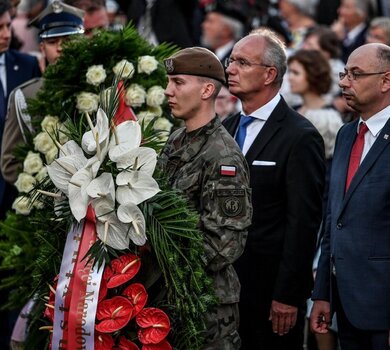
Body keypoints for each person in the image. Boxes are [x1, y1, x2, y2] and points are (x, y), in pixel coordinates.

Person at [223, 28, 325, 350]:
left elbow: (303, 223)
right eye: (230, 60)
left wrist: (287, 295)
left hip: (269, 297)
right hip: (223, 289)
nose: (230, 69)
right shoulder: (225, 128)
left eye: (242, 62)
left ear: (269, 74)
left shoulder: (300, 136)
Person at [159, 46, 252, 349]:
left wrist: (160, 256)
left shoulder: (222, 155)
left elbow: (224, 242)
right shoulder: (176, 140)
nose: (167, 90)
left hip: (204, 303)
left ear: (207, 89)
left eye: (178, 83)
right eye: (169, 82)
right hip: (167, 294)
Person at [310, 43, 390, 350]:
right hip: (345, 305)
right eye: (344, 73)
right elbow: (334, 218)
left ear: (386, 81)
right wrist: (322, 293)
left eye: (355, 74)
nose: (343, 82)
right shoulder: (346, 134)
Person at [1, 0, 84, 185]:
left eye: (68, 40)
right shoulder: (25, 96)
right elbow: (10, 164)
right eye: (52, 41)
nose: (61, 48)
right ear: (42, 48)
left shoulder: (103, 86)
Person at [0, 0, 41, 220]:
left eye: (8, 25)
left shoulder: (27, 65)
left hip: (17, 187)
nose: (6, 34)